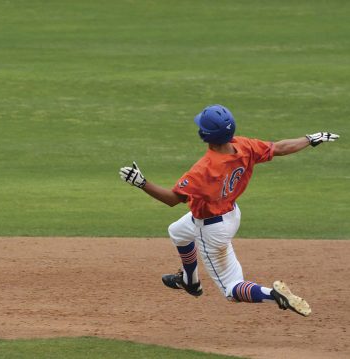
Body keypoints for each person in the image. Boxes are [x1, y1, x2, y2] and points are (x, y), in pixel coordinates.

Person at [119, 104, 339, 316]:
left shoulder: (204, 169)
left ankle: (273, 295)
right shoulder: (244, 146)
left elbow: (172, 199)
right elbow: (280, 148)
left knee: (232, 289)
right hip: (231, 213)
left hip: (211, 229)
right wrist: (309, 139)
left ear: (204, 135)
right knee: (177, 231)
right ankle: (190, 281)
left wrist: (141, 183)